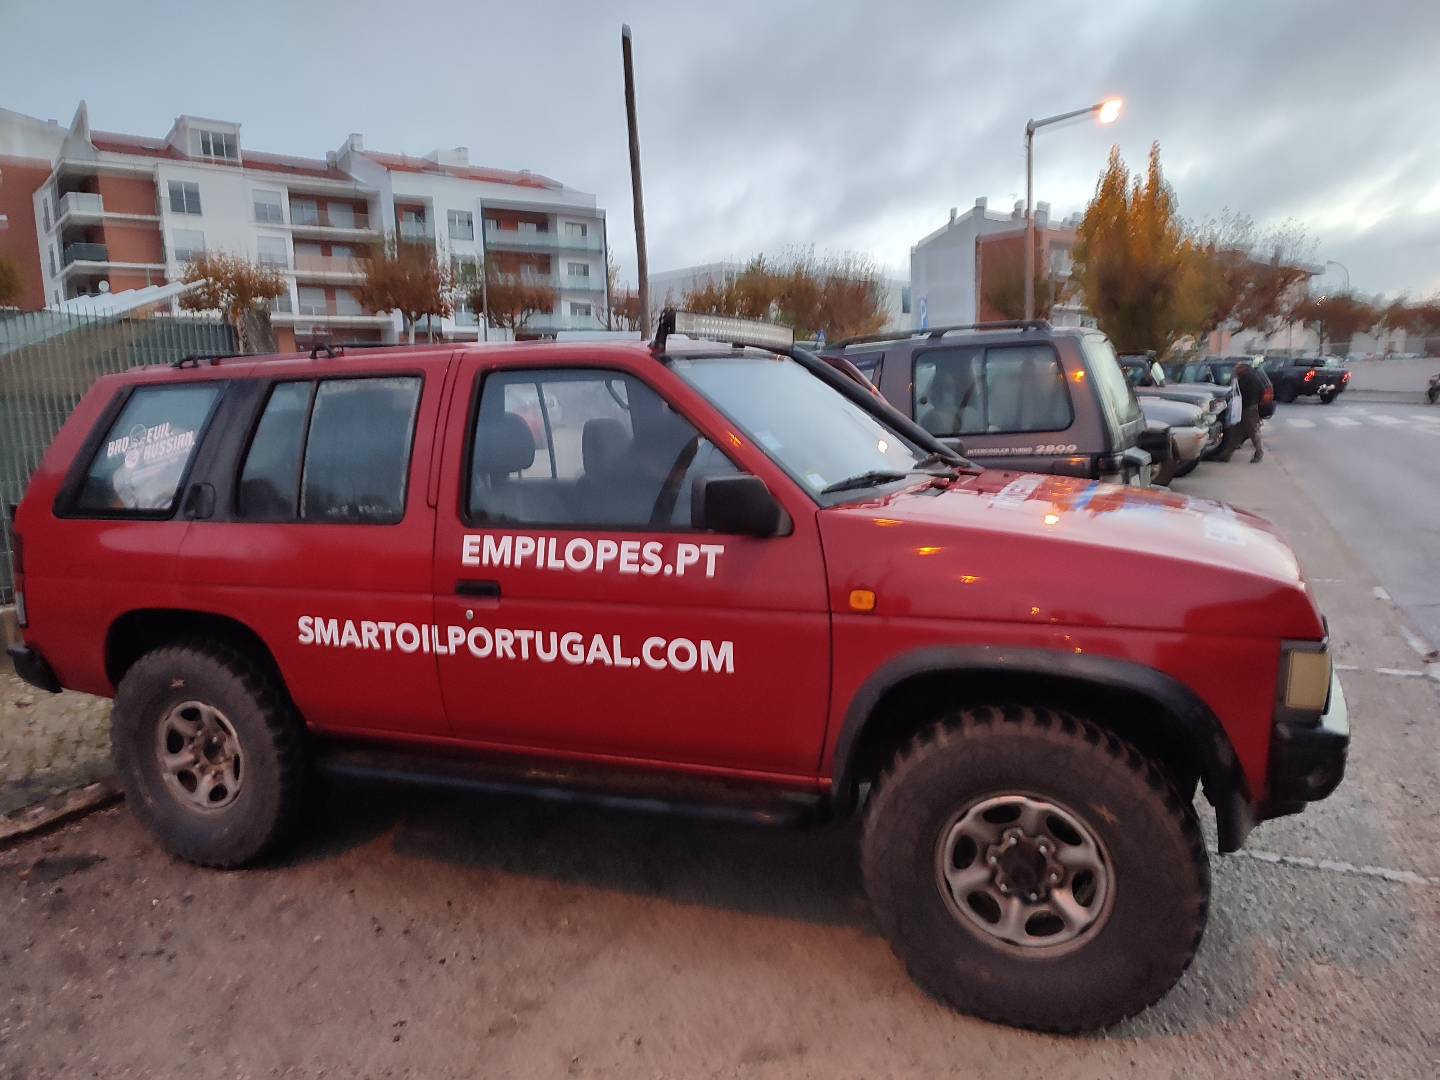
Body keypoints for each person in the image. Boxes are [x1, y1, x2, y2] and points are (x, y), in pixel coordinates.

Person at [1214, 361, 1264, 463]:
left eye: (1237, 369)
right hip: (1246, 407)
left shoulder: (1245, 379)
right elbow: (1262, 391)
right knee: (1236, 432)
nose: (1235, 370)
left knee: (1252, 431)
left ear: (1243, 369)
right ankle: (1226, 455)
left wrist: (1234, 377)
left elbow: (1237, 391)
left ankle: (1259, 452)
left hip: (1247, 408)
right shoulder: (1252, 377)